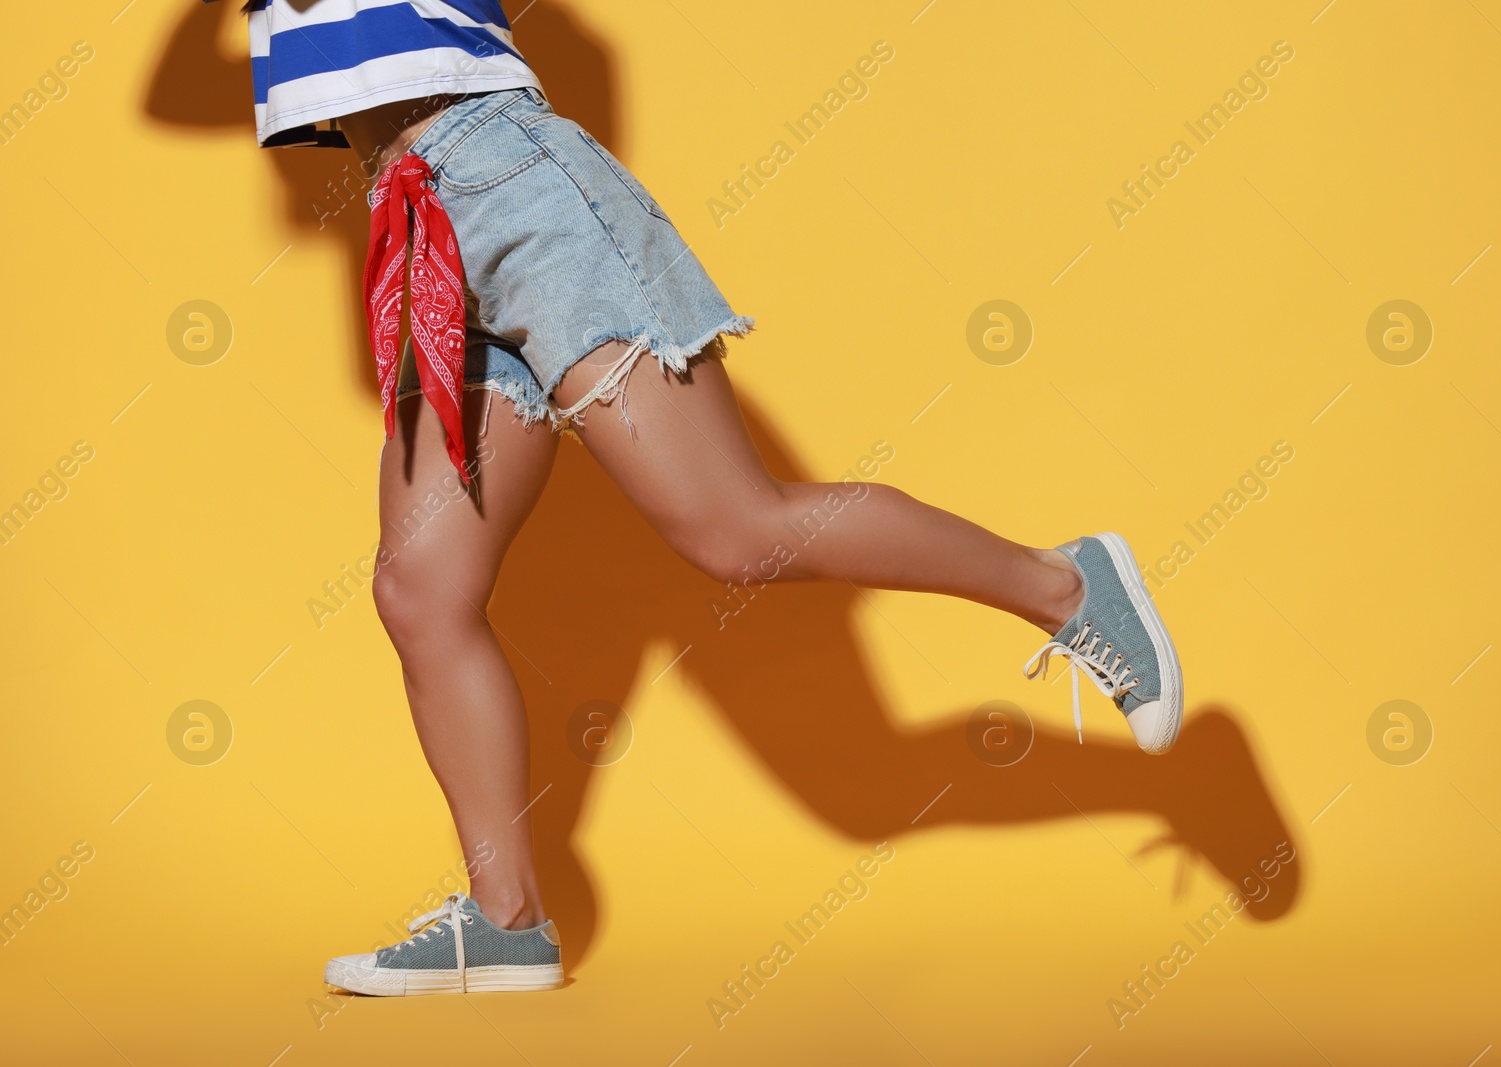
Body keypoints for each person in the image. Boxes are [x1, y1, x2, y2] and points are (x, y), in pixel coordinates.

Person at [213, 0, 1183, 996]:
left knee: (733, 531)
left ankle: (1065, 585)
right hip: (413, 212)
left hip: (509, 184)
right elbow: (167, 90)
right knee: (420, 586)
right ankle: (505, 922)